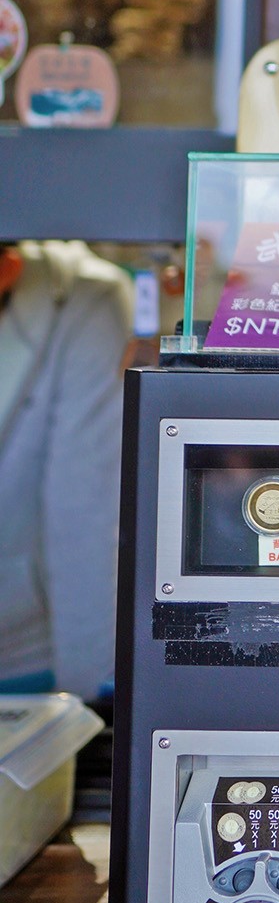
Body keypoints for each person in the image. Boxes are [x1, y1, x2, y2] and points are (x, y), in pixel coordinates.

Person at [0, 240, 132, 699]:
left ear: (8, 270)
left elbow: (84, 509)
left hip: (24, 659)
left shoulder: (83, 301)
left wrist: (95, 695)